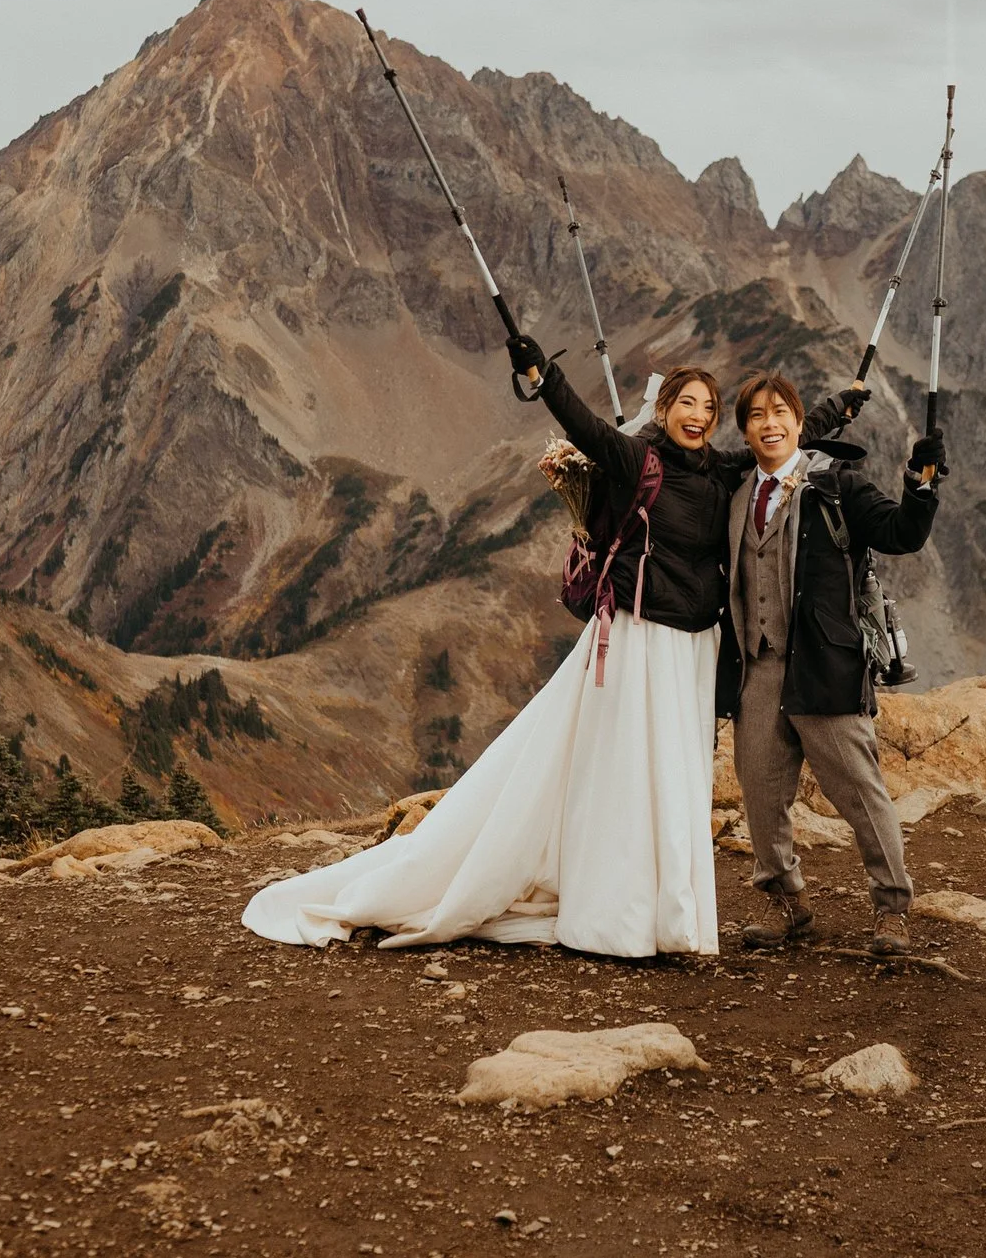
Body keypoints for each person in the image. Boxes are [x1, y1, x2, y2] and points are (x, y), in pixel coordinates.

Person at [241, 338, 856, 958]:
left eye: (708, 407)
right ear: (664, 409)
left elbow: (776, 440)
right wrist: (543, 374)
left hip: (693, 649)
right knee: (624, 771)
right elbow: (583, 426)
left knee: (673, 775)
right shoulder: (635, 458)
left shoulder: (720, 471)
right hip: (638, 638)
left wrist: (839, 408)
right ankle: (616, 914)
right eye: (685, 403)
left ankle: (665, 911)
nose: (697, 416)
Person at [720, 372, 944, 956]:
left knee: (860, 794)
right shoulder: (740, 491)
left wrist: (921, 483)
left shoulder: (838, 485)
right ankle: (789, 908)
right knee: (761, 795)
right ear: (745, 429)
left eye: (780, 413)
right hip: (759, 668)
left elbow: (902, 534)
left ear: (798, 422)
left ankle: (892, 908)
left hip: (825, 663)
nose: (770, 424)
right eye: (757, 416)